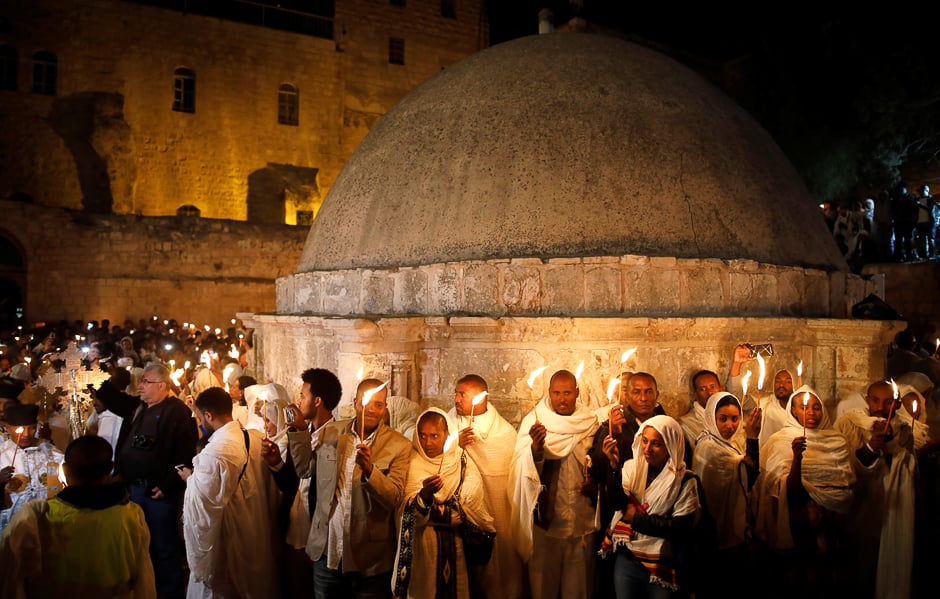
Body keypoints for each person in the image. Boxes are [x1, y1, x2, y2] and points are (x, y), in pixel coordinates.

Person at [283, 378, 410, 598]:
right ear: (355, 403)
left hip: (370, 560)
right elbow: (305, 469)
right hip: (328, 552)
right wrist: (299, 432)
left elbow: (394, 497)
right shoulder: (332, 432)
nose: (371, 409)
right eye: (365, 402)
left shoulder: (399, 445)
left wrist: (370, 470)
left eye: (378, 405)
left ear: (384, 409)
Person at [0, 435, 156, 598]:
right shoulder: (132, 514)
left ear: (65, 469)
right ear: (110, 467)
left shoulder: (38, 516)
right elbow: (144, 580)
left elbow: (10, 576)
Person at [752, 386, 855, 597]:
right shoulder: (781, 441)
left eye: (817, 408)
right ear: (793, 411)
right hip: (800, 522)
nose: (812, 413)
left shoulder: (837, 441)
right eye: (805, 407)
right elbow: (785, 490)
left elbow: (847, 482)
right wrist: (797, 459)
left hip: (831, 524)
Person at [180, 387, 278, 598]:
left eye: (199, 417)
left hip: (229, 539)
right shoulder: (256, 437)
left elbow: (203, 511)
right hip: (255, 529)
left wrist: (191, 480)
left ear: (209, 415)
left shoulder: (215, 453)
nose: (199, 423)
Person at [510, 369, 600, 599]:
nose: (562, 398)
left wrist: (596, 486)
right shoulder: (536, 422)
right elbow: (524, 470)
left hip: (582, 521)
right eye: (557, 393)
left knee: (578, 589)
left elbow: (601, 464)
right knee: (543, 588)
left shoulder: (590, 422)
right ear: (549, 393)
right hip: (547, 523)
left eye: (567, 392)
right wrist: (537, 449)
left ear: (577, 393)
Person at [116, 363, 198, 599]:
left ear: (162, 386)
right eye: (141, 381)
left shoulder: (176, 411)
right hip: (133, 490)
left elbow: (185, 455)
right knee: (139, 547)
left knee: (163, 548)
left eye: (146, 382)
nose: (140, 386)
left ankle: (170, 592)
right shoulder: (141, 408)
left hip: (156, 494)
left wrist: (167, 486)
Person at [392, 408, 494, 598]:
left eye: (434, 436)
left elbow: (470, 506)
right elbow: (406, 513)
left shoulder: (461, 460)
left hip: (457, 546)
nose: (427, 442)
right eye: (422, 435)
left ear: (447, 435)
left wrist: (433, 511)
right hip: (423, 548)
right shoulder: (411, 463)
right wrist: (425, 496)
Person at [599, 415, 702, 599]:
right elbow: (616, 504)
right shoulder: (632, 469)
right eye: (644, 441)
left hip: (661, 565)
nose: (647, 449)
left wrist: (636, 519)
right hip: (628, 559)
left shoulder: (684, 481)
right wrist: (614, 467)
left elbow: (679, 528)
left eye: (656, 444)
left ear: (671, 446)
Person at [262, 368, 343, 598]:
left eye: (303, 396)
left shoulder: (337, 439)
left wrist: (298, 431)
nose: (298, 401)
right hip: (294, 528)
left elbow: (315, 477)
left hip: (318, 536)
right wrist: (276, 462)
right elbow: (294, 482)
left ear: (317, 401)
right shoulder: (300, 432)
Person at [834, 381, 916, 599]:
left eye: (888, 402)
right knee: (860, 564)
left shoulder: (904, 430)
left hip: (892, 507)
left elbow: (908, 467)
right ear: (867, 400)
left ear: (896, 404)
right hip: (861, 509)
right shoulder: (850, 423)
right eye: (876, 401)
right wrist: (870, 448)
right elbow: (841, 464)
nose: (880, 408)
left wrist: (891, 445)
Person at [448, 374, 524, 599]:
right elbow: (434, 459)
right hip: (458, 517)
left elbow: (514, 477)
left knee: (498, 574)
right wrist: (455, 445)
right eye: (456, 393)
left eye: (462, 394)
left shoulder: (504, 434)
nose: (456, 399)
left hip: (496, 512)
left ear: (481, 397)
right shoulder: (448, 425)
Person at [691, 392, 760, 579]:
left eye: (735, 419)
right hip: (713, 529)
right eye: (723, 419)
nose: (730, 425)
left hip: (726, 524)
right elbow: (749, 475)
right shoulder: (709, 448)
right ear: (711, 418)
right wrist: (752, 437)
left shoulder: (725, 444)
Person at [0, 403, 65, 533]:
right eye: (20, 429)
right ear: (8, 428)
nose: (25, 435)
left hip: (46, 523)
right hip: (11, 525)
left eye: (31, 428)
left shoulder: (52, 453)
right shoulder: (2, 454)